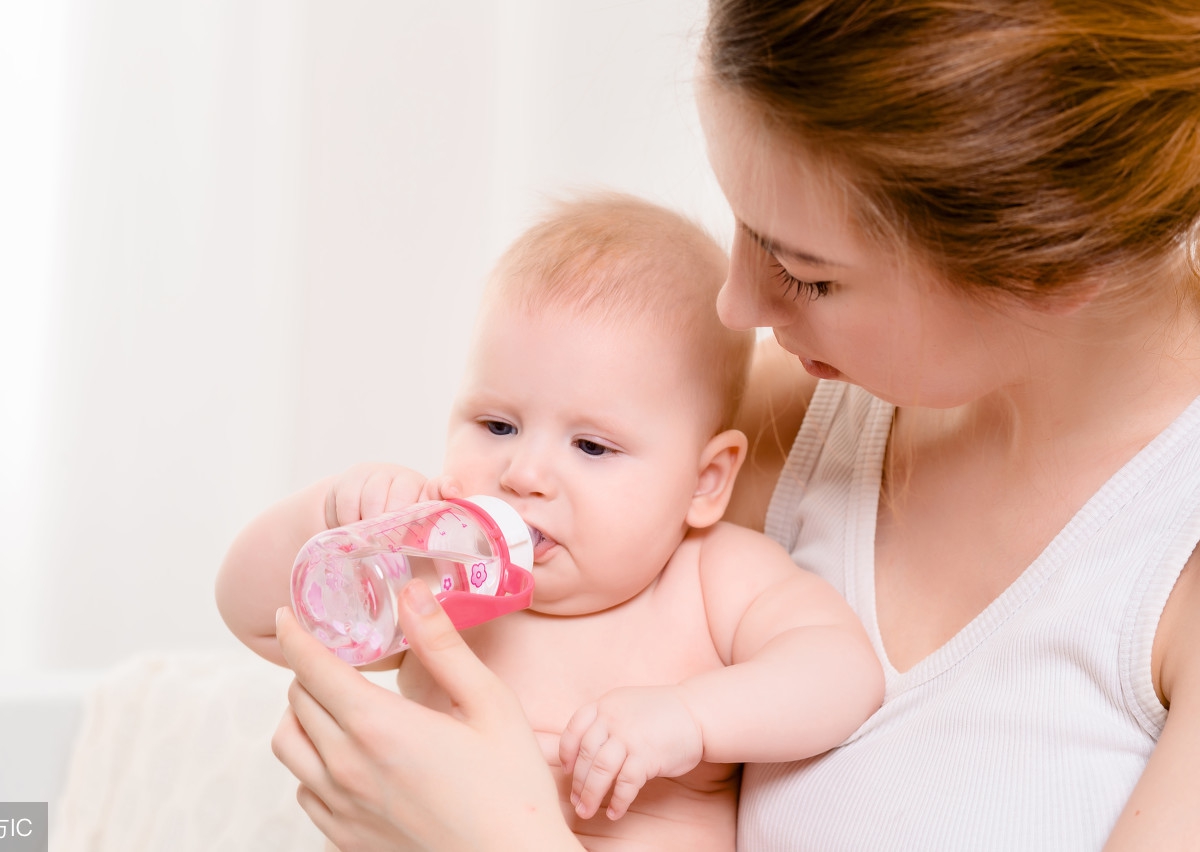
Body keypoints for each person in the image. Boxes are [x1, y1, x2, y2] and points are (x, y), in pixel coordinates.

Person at [264, 2, 1200, 848]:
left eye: (807, 274)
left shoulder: (1165, 567)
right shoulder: (757, 420)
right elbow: (294, 601)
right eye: (742, 226)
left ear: (1047, 270)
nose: (735, 304)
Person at [217, 193, 885, 850]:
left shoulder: (712, 578)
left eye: (591, 446)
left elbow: (843, 673)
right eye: (497, 425)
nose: (524, 474)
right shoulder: (446, 575)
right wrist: (334, 516)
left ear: (705, 483)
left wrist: (691, 717)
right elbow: (252, 611)